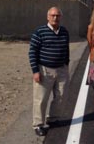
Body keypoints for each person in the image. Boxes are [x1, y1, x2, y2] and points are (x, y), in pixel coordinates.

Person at [29, 7, 70, 136]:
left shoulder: (64, 32)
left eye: (57, 16)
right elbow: (32, 52)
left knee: (61, 96)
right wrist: (35, 71)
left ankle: (52, 118)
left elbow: (66, 49)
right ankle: (38, 124)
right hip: (45, 70)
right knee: (41, 99)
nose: (55, 18)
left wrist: (66, 64)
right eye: (52, 15)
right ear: (48, 17)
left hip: (61, 69)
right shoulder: (39, 32)